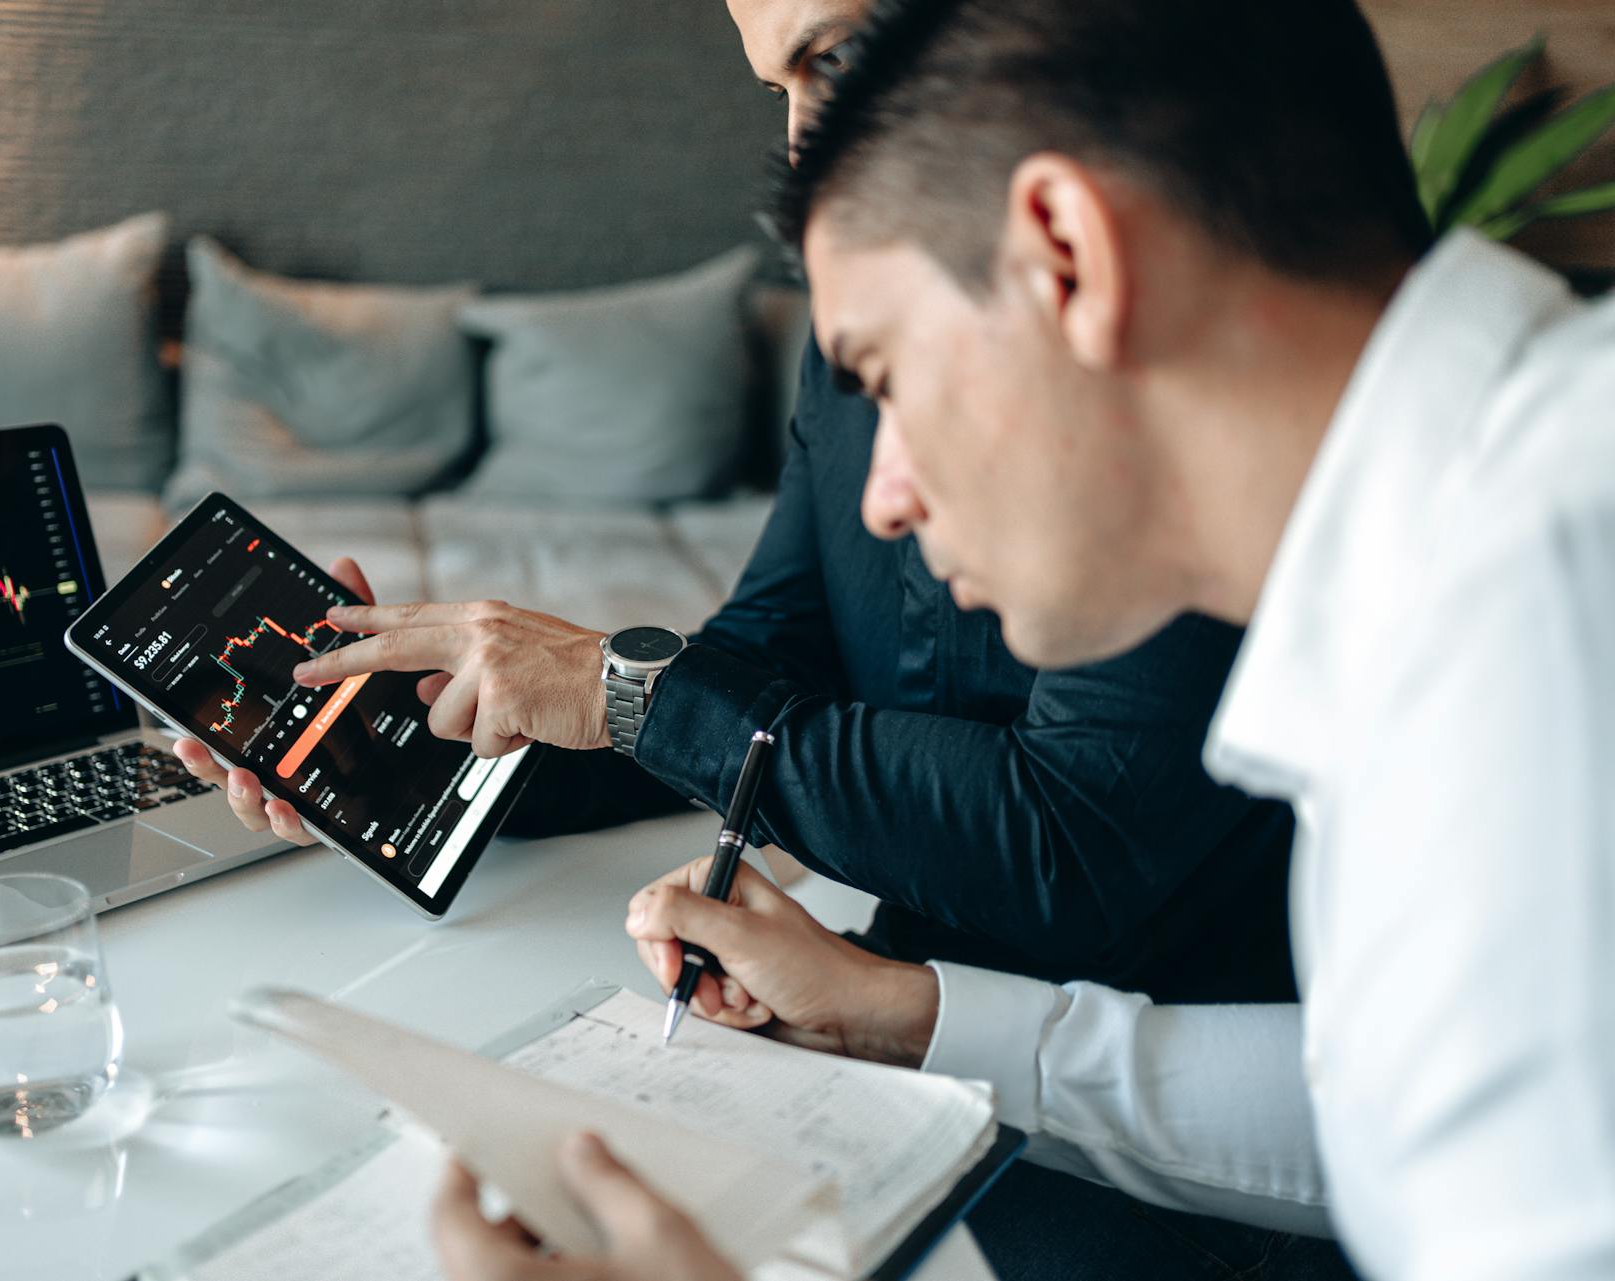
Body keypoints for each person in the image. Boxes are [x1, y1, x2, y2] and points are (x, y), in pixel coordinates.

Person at [426, 0, 1615, 1277]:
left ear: (1064, 252)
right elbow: (1381, 1103)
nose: (881, 497)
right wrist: (917, 1018)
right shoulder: (1476, 530)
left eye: (885, 371)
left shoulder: (1536, 619)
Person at [176, 0, 1299, 1008]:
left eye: (839, 54)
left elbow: (1081, 851)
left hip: (1129, 1111)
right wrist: (424, 744)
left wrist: (625, 690)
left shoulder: (1181, 370)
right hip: (885, 1001)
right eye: (779, 88)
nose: (804, 157)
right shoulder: (841, 345)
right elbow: (765, 660)